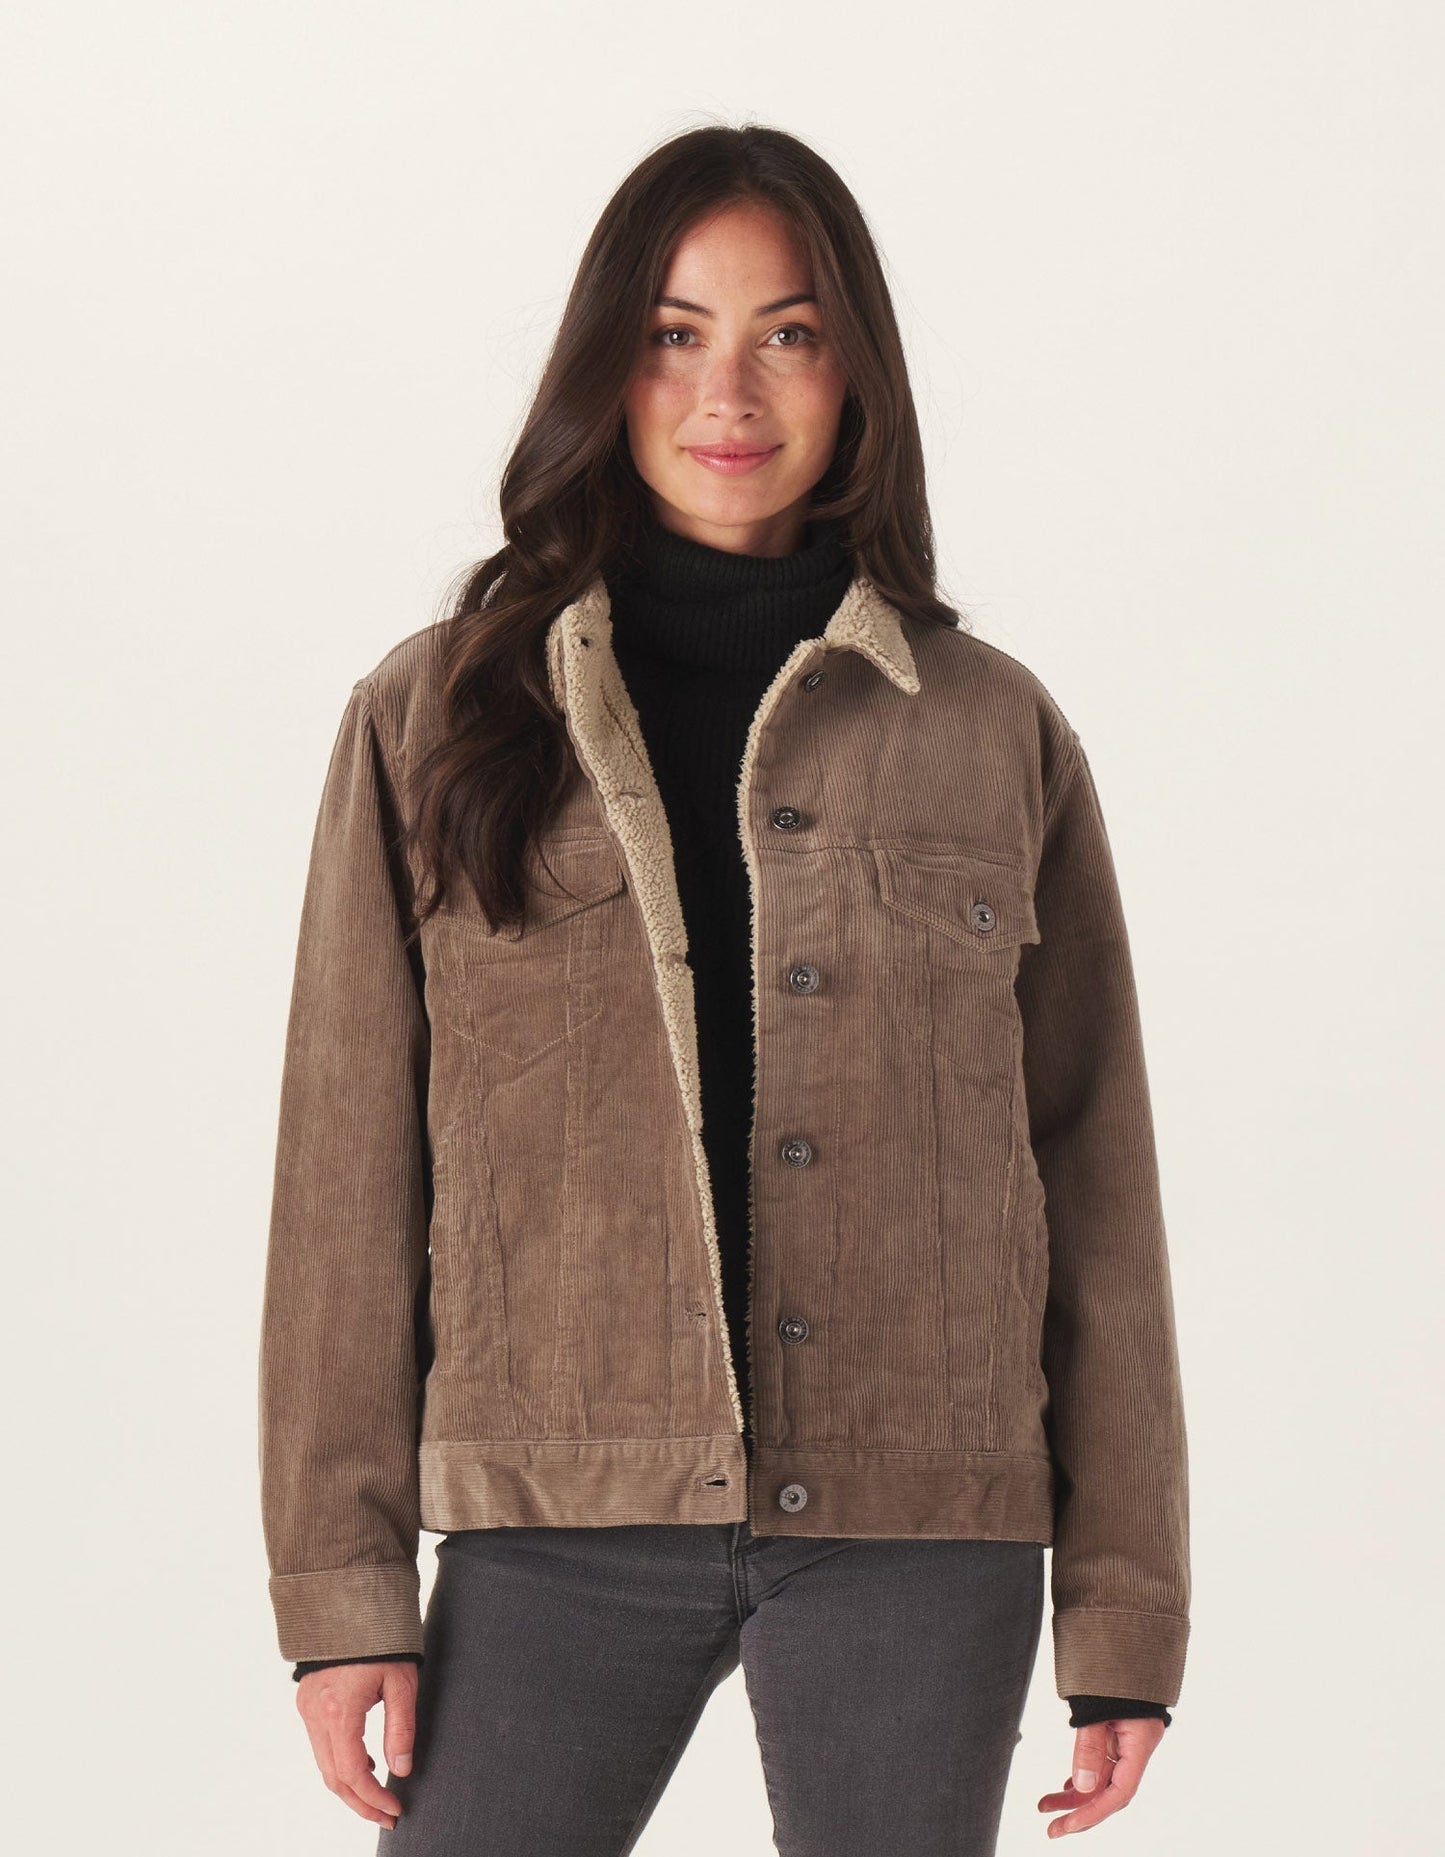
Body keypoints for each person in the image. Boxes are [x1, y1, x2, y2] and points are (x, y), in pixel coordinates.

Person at [258, 123, 1190, 1854]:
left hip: (921, 1520)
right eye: (675, 332)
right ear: (604, 366)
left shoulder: (990, 727)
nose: (728, 391)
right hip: (552, 1505)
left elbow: (1094, 1183)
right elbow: (344, 1174)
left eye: (790, 332)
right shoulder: (432, 716)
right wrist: (340, 1588)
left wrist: (1123, 1613)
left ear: (856, 372)